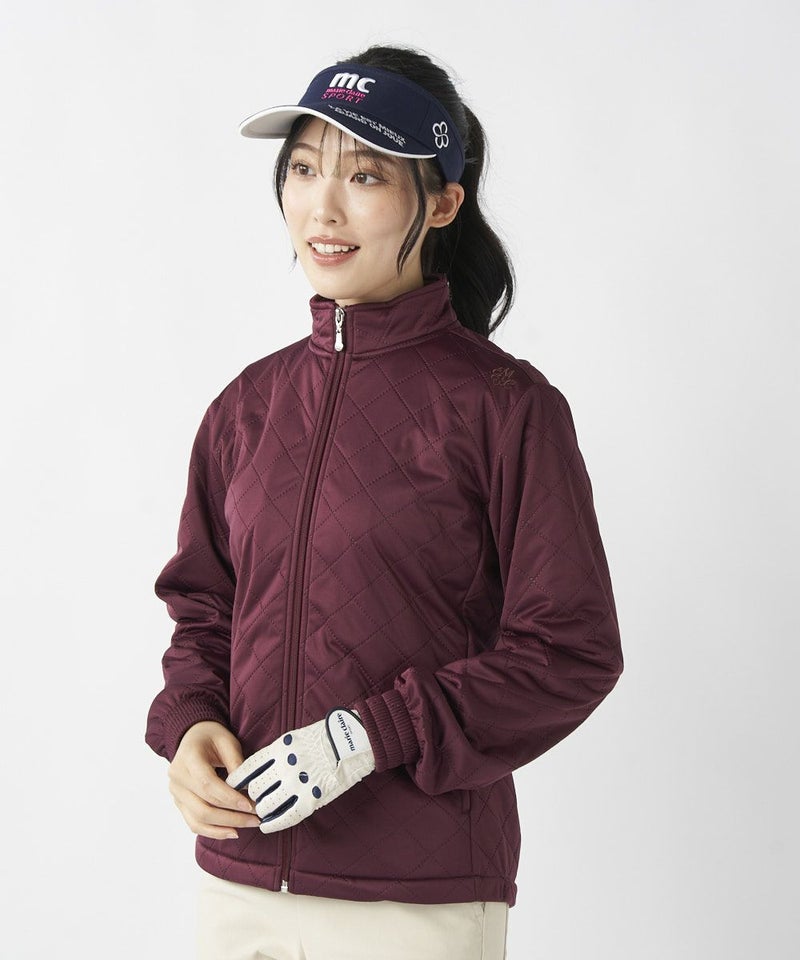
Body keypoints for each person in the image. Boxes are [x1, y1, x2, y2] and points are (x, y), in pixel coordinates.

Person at [145, 44, 624, 960]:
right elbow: (204, 608)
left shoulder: (506, 408)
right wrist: (191, 723)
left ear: (441, 204)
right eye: (302, 169)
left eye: (365, 176)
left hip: (416, 901)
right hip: (240, 884)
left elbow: (571, 648)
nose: (321, 208)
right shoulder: (246, 407)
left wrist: (367, 736)